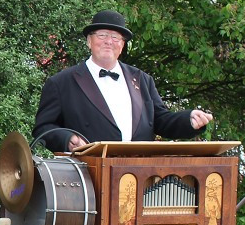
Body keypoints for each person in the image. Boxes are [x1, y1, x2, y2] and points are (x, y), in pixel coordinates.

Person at [33, 10, 213, 153]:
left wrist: (188, 120)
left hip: (140, 174)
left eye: (115, 37)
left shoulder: (142, 79)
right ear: (89, 41)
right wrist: (67, 138)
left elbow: (160, 120)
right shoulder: (61, 83)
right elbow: (43, 128)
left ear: (122, 45)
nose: (108, 42)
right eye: (102, 35)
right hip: (87, 176)